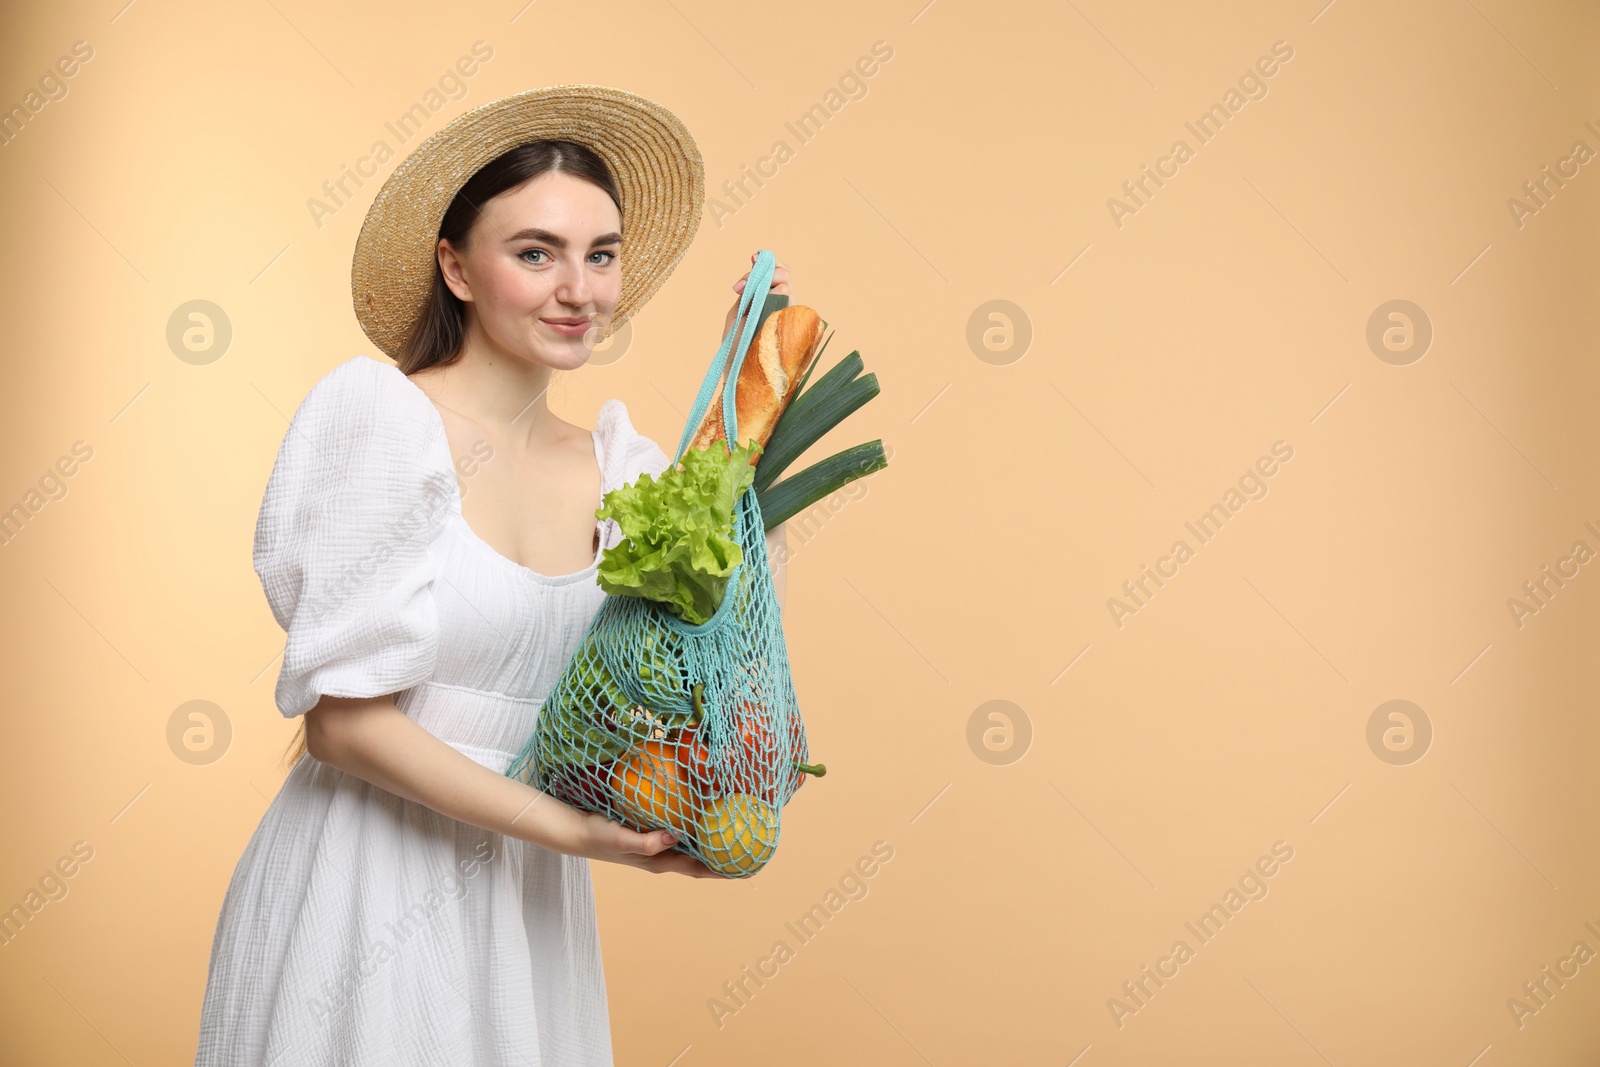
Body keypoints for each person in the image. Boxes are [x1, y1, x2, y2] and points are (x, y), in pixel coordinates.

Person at [193, 85, 791, 1066]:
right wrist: (571, 830)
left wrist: (733, 426)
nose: (579, 289)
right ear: (455, 267)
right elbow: (343, 724)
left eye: (600, 254)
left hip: (530, 901)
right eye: (535, 253)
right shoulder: (382, 423)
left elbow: (645, 696)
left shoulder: (624, 471)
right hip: (365, 885)